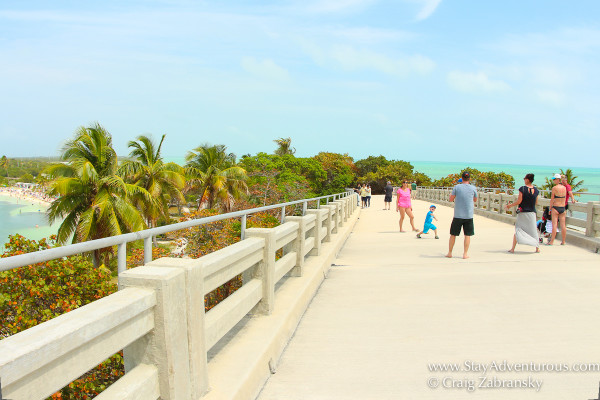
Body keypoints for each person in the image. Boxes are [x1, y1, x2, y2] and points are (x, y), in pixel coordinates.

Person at [505, 173, 540, 253]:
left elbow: (519, 201)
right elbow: (536, 202)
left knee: (518, 229)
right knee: (533, 230)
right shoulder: (536, 190)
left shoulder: (522, 189)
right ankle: (537, 248)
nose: (524, 180)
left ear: (527, 179)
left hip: (523, 212)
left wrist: (510, 205)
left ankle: (513, 249)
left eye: (524, 178)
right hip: (532, 213)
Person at [446, 171, 478, 259]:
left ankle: (450, 253)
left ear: (462, 178)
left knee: (453, 234)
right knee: (467, 235)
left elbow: (451, 199)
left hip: (458, 215)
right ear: (469, 178)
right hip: (468, 215)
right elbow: (475, 199)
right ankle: (465, 254)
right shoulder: (473, 188)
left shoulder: (457, 187)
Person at [549, 173, 567, 245]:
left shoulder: (554, 188)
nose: (553, 181)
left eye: (554, 179)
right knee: (563, 225)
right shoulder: (564, 188)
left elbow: (552, 199)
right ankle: (563, 241)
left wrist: (550, 209)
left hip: (556, 207)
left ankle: (552, 241)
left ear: (558, 180)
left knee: (554, 225)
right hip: (562, 207)